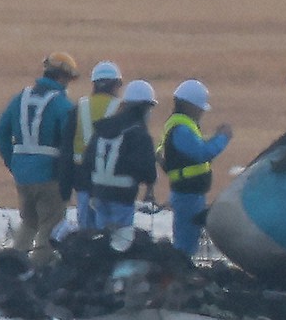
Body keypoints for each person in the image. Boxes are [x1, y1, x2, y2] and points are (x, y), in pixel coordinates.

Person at [0, 52, 78, 266]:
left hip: (23, 175)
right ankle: (36, 273)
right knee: (49, 228)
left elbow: (0, 132)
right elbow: (70, 143)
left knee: (29, 222)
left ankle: (13, 267)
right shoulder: (63, 105)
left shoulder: (20, 98)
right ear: (62, 77)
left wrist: (13, 161)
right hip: (50, 176)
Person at [156, 79, 232, 257]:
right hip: (187, 196)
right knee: (185, 247)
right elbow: (201, 153)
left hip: (189, 194)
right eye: (200, 108)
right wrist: (222, 137)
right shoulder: (182, 128)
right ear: (191, 106)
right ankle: (181, 276)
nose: (201, 113)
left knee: (188, 242)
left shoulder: (177, 125)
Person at [82, 79, 158, 231]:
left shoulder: (104, 127)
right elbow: (147, 168)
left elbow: (88, 159)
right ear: (144, 108)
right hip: (122, 197)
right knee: (120, 240)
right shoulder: (139, 133)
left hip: (99, 192)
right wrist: (149, 185)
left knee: (102, 237)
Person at [60, 60, 123, 229]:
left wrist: (65, 185)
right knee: (109, 233)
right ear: (117, 84)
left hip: (82, 180)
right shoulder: (122, 109)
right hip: (111, 181)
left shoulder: (79, 108)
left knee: (85, 233)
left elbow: (66, 149)